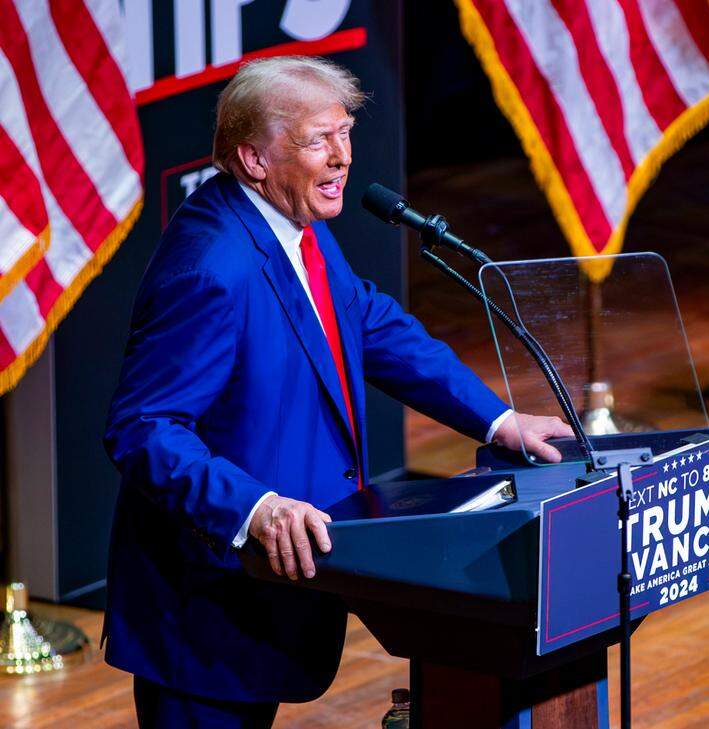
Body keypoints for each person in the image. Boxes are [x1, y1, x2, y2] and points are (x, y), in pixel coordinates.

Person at [102, 55, 572, 728]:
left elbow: (370, 323)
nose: (343, 157)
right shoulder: (212, 267)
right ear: (255, 158)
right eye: (319, 140)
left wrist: (496, 420)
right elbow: (144, 428)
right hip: (206, 609)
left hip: (272, 590)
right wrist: (256, 507)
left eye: (345, 133)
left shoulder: (288, 225)